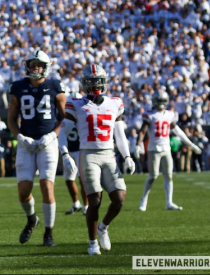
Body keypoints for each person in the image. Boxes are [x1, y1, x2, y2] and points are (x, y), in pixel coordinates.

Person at [58, 64, 135, 255]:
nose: (95, 84)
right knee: (94, 200)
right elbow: (62, 133)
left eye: (98, 80)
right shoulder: (75, 103)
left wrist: (127, 156)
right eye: (91, 81)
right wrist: (65, 154)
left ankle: (103, 227)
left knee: (119, 198)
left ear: (105, 81)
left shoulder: (115, 102)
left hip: (108, 154)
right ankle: (92, 242)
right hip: (88, 154)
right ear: (84, 83)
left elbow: (120, 134)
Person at [7, 50, 66, 247]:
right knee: (23, 191)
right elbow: (11, 119)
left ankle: (48, 233)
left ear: (45, 67)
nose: (35, 68)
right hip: (27, 143)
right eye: (33, 64)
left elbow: (64, 116)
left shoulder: (55, 85)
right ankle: (32, 218)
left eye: (39, 65)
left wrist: (52, 135)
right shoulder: (18, 87)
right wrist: (20, 137)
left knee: (46, 186)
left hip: (47, 143)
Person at [136, 89, 202, 211]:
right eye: (159, 100)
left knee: (168, 175)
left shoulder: (169, 114)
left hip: (166, 148)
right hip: (154, 148)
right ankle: (143, 199)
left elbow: (178, 131)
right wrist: (138, 145)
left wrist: (191, 144)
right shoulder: (149, 114)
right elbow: (143, 131)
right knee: (153, 176)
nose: (161, 103)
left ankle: (169, 202)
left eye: (163, 101)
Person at [57, 91, 88, 216]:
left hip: (80, 150)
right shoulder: (67, 116)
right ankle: (76, 203)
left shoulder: (84, 116)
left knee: (82, 180)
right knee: (68, 179)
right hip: (69, 151)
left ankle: (86, 205)